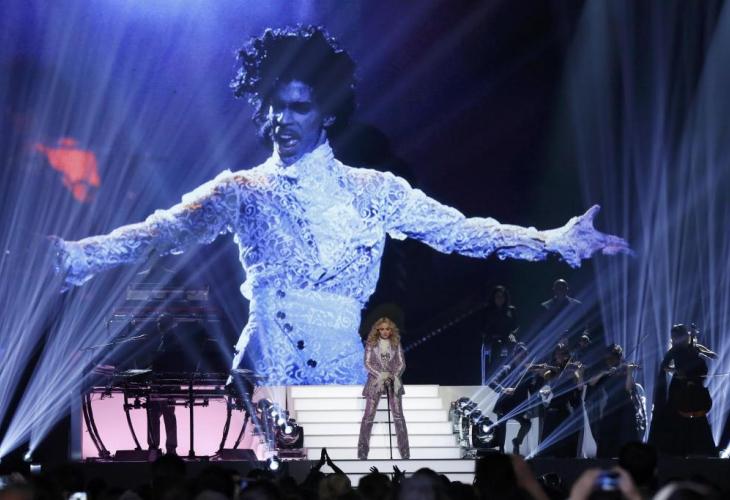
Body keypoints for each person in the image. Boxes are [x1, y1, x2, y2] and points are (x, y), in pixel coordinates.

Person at [52, 26, 630, 386]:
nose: (282, 119)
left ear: (327, 113)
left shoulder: (375, 191)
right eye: (275, 106)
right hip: (267, 364)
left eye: (298, 107)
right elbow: (160, 232)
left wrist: (554, 241)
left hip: (340, 371)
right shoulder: (241, 189)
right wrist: (76, 256)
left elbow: (463, 233)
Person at [649, 324, 716, 457]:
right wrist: (676, 370)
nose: (675, 339)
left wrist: (703, 351)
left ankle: (699, 449)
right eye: (674, 337)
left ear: (685, 336)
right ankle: (675, 448)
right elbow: (664, 367)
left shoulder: (695, 347)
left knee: (698, 416)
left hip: (695, 386)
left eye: (677, 337)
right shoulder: (674, 350)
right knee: (674, 414)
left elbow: (714, 356)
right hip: (679, 387)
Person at [357, 317, 409, 460]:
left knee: (398, 417)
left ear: (391, 330)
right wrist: (381, 375)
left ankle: (405, 451)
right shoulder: (371, 344)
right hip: (375, 381)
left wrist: (393, 376)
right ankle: (362, 451)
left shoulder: (396, 343)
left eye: (387, 329)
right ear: (378, 330)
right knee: (368, 417)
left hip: (393, 381)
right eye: (382, 329)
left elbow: (401, 363)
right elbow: (367, 363)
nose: (385, 332)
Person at [584, 344, 639, 458]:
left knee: (626, 435)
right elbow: (591, 383)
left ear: (618, 358)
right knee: (607, 433)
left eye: (611, 358)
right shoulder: (607, 371)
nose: (608, 360)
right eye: (607, 358)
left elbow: (628, 388)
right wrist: (604, 372)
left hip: (625, 406)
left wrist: (629, 372)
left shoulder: (625, 369)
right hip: (611, 405)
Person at [534, 343, 582, 457]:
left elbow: (579, 386)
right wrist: (550, 371)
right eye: (558, 354)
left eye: (563, 353)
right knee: (548, 442)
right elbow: (547, 386)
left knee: (567, 442)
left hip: (566, 406)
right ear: (555, 355)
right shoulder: (551, 372)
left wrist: (579, 373)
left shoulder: (572, 369)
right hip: (553, 407)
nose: (560, 356)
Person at [489, 343, 535, 455]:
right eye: (521, 354)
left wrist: (538, 381)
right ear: (514, 355)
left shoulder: (528, 372)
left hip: (519, 406)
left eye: (525, 355)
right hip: (504, 406)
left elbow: (532, 389)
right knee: (502, 425)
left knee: (527, 424)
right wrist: (503, 389)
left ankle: (517, 442)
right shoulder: (506, 369)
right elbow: (492, 382)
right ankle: (501, 449)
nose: (523, 357)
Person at [482, 285, 519, 378]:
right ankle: (494, 374)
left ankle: (513, 372)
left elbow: (516, 326)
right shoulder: (488, 311)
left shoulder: (511, 310)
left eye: (502, 296)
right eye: (497, 296)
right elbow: (485, 328)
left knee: (514, 344)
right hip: (493, 337)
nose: (500, 299)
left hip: (507, 336)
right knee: (497, 345)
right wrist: (491, 335)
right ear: (493, 298)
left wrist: (512, 334)